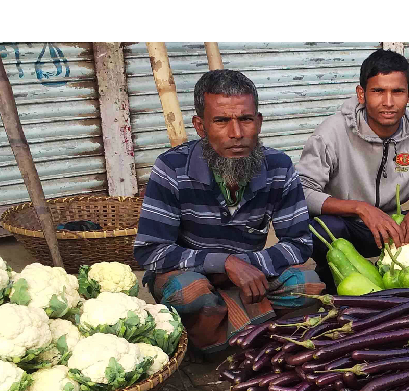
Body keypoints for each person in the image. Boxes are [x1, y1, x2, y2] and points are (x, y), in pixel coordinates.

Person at [134, 69, 323, 355]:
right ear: (200, 126)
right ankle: (238, 337)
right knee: (191, 294)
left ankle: (229, 332)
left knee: (308, 284)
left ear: (258, 122)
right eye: (221, 121)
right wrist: (224, 264)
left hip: (253, 275)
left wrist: (249, 265)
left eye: (245, 120)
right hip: (192, 274)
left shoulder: (279, 166)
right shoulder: (171, 167)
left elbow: (299, 243)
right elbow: (151, 251)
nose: (236, 134)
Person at [298, 48, 409, 293]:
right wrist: (361, 208)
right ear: (361, 94)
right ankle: (332, 278)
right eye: (378, 91)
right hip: (349, 225)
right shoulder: (331, 132)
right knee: (319, 228)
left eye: (397, 91)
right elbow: (303, 191)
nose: (388, 102)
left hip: (395, 226)